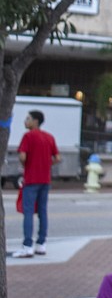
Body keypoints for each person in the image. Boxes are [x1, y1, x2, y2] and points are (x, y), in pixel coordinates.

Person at [12, 109, 60, 258]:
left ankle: (27, 245)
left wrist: (25, 163)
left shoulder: (28, 136)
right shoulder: (49, 137)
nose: (25, 121)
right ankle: (41, 244)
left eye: (28, 119)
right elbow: (57, 157)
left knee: (28, 213)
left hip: (31, 179)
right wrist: (46, 163)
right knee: (42, 212)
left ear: (36, 121)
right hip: (45, 180)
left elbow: (23, 156)